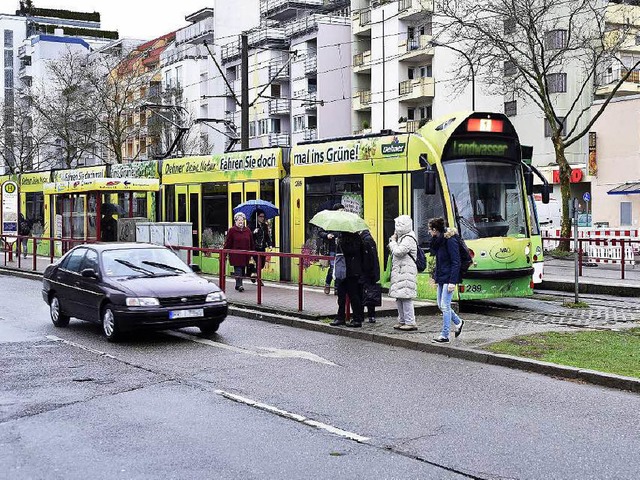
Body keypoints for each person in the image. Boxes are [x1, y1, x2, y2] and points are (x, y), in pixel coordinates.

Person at [428, 217, 465, 343]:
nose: (429, 232)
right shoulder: (439, 240)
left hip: (449, 277)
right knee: (441, 305)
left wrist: (452, 282)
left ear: (435, 229)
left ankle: (445, 335)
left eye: (430, 230)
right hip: (442, 276)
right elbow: (436, 257)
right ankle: (458, 322)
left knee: (444, 305)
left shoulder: (450, 240)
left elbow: (456, 262)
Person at [388, 215, 418, 331]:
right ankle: (402, 320)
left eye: (399, 225)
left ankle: (410, 322)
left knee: (406, 296)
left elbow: (399, 252)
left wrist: (393, 242)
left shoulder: (409, 238)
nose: (397, 228)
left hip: (406, 271)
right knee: (399, 297)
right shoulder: (403, 237)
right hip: (400, 271)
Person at [330, 231, 364, 328]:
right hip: (342, 271)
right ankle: (340, 317)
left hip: (352, 271)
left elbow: (352, 251)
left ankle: (357, 319)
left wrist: (342, 244)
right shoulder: (341, 236)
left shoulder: (356, 238)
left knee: (354, 295)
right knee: (341, 296)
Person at [223, 212, 255, 292]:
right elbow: (228, 242)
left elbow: (251, 242)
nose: (241, 221)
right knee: (238, 270)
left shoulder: (247, 230)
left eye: (242, 220)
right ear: (235, 221)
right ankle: (239, 285)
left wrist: (253, 253)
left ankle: (238, 285)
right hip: (235, 255)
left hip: (245, 255)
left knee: (242, 271)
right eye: (239, 220)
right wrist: (224, 252)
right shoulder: (232, 230)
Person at [318, 202, 344, 295]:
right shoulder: (330, 221)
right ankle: (328, 284)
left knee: (340, 268)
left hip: (342, 249)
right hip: (333, 248)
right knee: (333, 268)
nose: (342, 213)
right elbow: (320, 232)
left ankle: (337, 288)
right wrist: (327, 235)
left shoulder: (345, 222)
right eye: (340, 211)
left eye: (343, 211)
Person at [359, 229, 380, 323]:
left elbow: (370, 259)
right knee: (368, 293)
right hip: (370, 272)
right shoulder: (367, 238)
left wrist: (371, 273)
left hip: (367, 273)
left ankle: (368, 315)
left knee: (366, 293)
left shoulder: (366, 240)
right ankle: (370, 316)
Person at [251, 208, 273, 285]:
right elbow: (248, 236)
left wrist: (270, 244)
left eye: (263, 216)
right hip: (254, 247)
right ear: (257, 217)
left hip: (262, 247)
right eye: (261, 216)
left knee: (262, 264)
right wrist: (253, 232)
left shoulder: (265, 226)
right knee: (258, 262)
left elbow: (267, 236)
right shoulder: (252, 225)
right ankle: (259, 280)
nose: (262, 218)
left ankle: (254, 274)